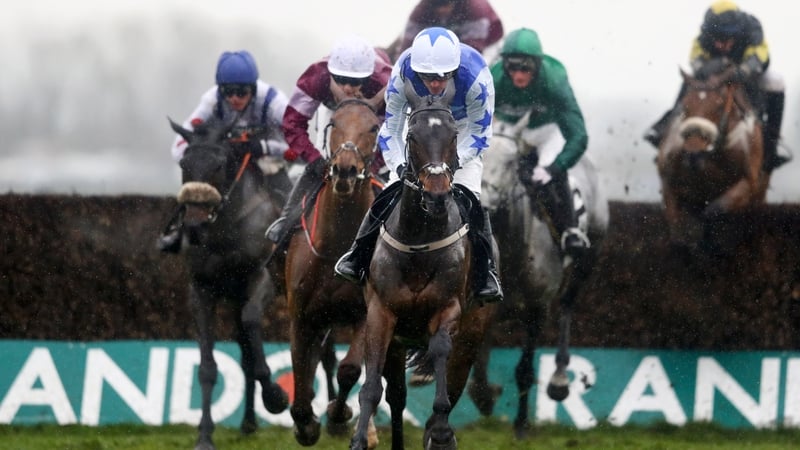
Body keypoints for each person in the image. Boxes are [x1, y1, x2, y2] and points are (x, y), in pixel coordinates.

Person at [334, 26, 503, 304]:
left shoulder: (476, 76)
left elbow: (480, 132)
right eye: (427, 77)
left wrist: (449, 163)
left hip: (459, 134)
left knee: (471, 198)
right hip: (420, 129)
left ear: (454, 69)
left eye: (441, 77)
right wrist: (400, 166)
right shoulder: (403, 71)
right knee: (389, 190)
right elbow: (392, 127)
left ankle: (486, 274)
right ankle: (357, 255)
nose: (434, 84)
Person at [264, 35, 393, 248]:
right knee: (323, 162)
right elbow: (292, 123)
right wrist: (314, 160)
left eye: (354, 82)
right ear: (331, 73)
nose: (347, 88)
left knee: (386, 171)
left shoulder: (386, 82)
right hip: (333, 114)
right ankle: (287, 221)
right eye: (341, 80)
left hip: (375, 118)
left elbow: (397, 130)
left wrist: (375, 163)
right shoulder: (317, 76)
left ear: (369, 77)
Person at [157, 50, 290, 253]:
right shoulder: (211, 101)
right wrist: (198, 161)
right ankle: (177, 230)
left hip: (272, 155)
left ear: (253, 89)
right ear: (220, 90)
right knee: (203, 173)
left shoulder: (275, 103)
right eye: (228, 92)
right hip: (230, 155)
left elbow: (299, 148)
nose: (235, 98)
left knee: (281, 185)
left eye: (242, 92)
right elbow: (178, 146)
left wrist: (262, 147)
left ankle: (290, 230)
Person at [643, 0, 788, 172]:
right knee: (689, 84)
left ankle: (771, 147)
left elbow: (760, 54)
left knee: (776, 82)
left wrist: (744, 70)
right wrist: (708, 70)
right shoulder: (704, 34)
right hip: (715, 72)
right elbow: (695, 57)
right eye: (716, 39)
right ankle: (664, 128)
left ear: (737, 31)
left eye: (725, 39)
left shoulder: (752, 28)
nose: (719, 45)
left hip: (746, 71)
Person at [491, 27, 591, 258]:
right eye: (512, 67)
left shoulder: (555, 82)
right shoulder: (493, 78)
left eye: (525, 67)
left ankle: (570, 230)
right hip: (508, 132)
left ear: (537, 65)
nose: (518, 75)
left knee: (545, 177)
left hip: (546, 133)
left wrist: (554, 168)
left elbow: (579, 136)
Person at [386, 0, 503, 61]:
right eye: (437, 4)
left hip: (488, 41)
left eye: (446, 3)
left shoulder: (475, 8)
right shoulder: (421, 9)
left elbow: (473, 51)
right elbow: (407, 45)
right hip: (449, 37)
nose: (442, 10)